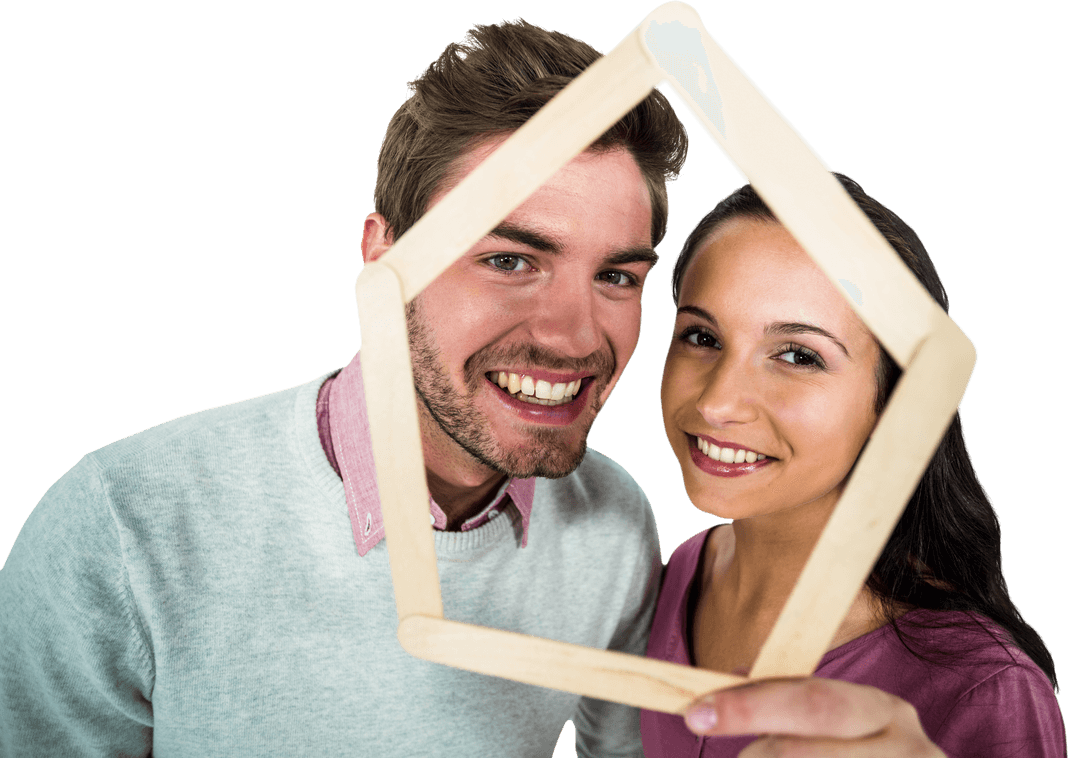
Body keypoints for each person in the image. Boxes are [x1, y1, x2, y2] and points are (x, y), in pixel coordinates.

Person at [0, 20, 688, 757]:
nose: (573, 337)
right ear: (382, 258)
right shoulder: (126, 522)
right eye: (511, 261)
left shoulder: (613, 524)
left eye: (616, 276)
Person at [641, 174, 1066, 756]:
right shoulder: (682, 570)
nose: (716, 403)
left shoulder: (984, 686)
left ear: (896, 403)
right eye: (702, 336)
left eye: (798, 355)